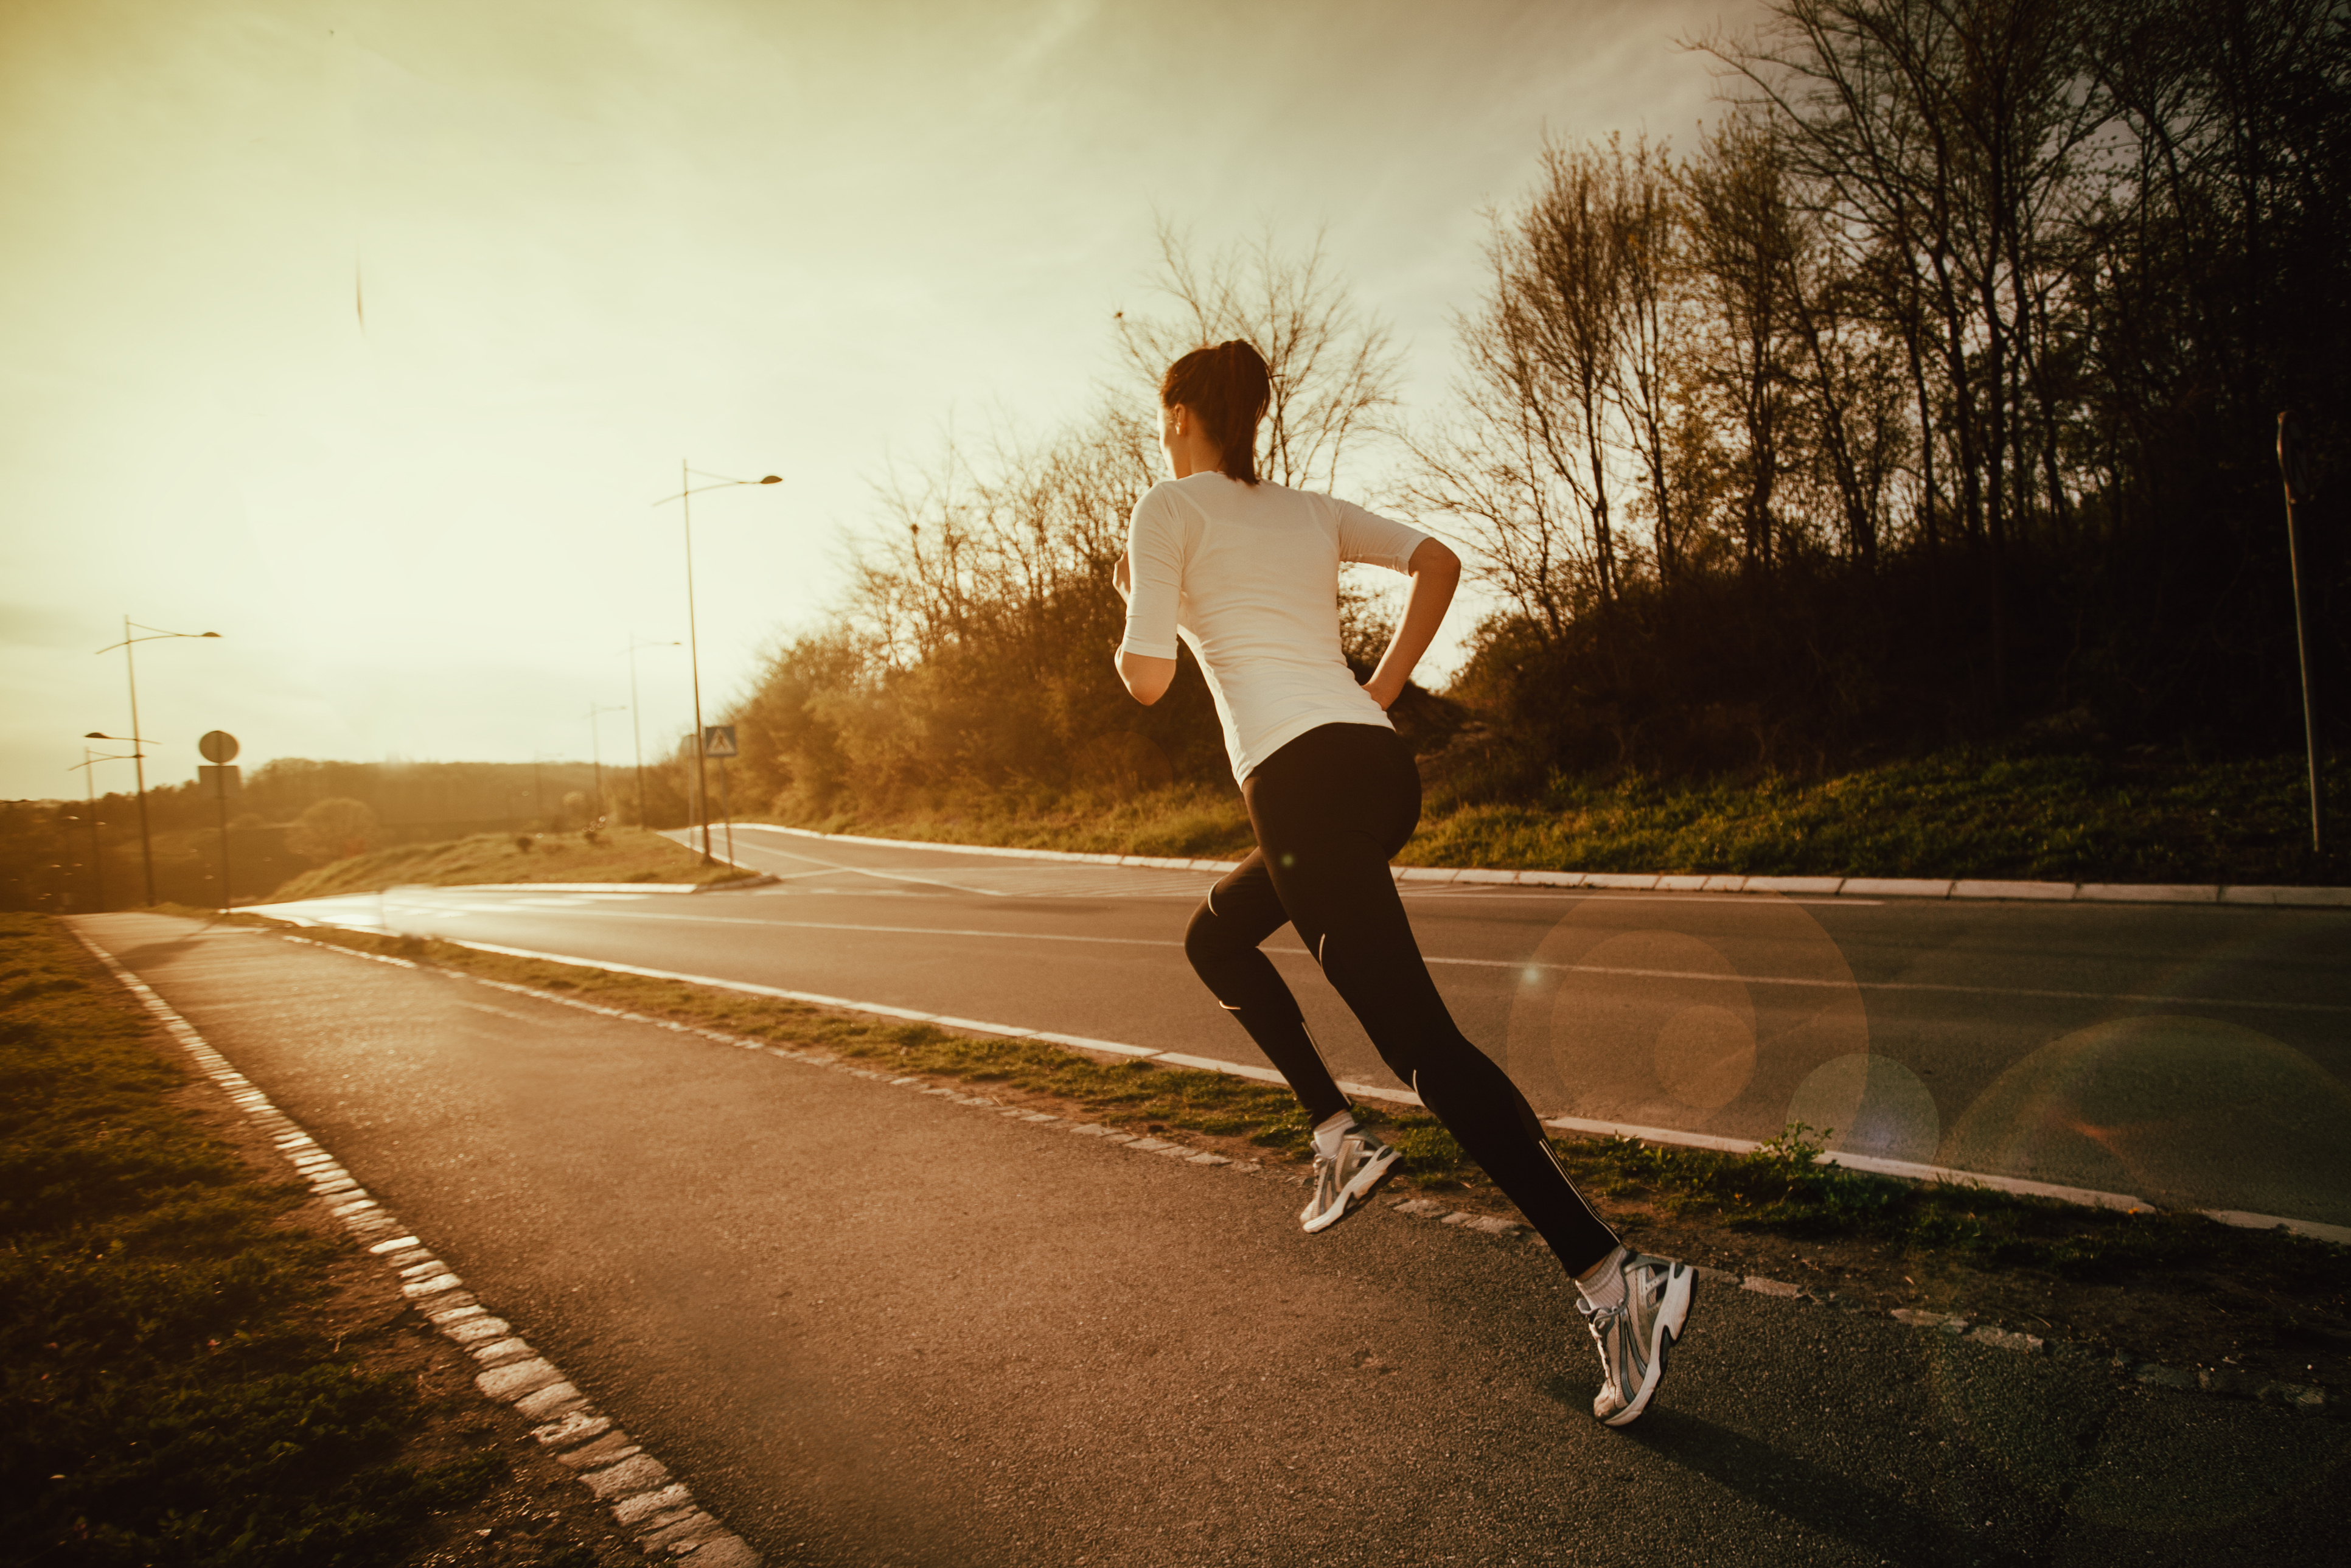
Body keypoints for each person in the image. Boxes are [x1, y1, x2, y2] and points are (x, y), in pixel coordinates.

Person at [1109, 338, 1695, 1427]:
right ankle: (1337, 1134)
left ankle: (1619, 1280)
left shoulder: (1166, 509)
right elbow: (1439, 561)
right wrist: (1381, 684)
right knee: (1218, 936)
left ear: (1183, 412)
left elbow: (1145, 680)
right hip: (1376, 768)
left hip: (1298, 784)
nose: (1160, 431)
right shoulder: (1306, 507)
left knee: (1422, 1047)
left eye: (1161, 414)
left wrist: (1135, 604)